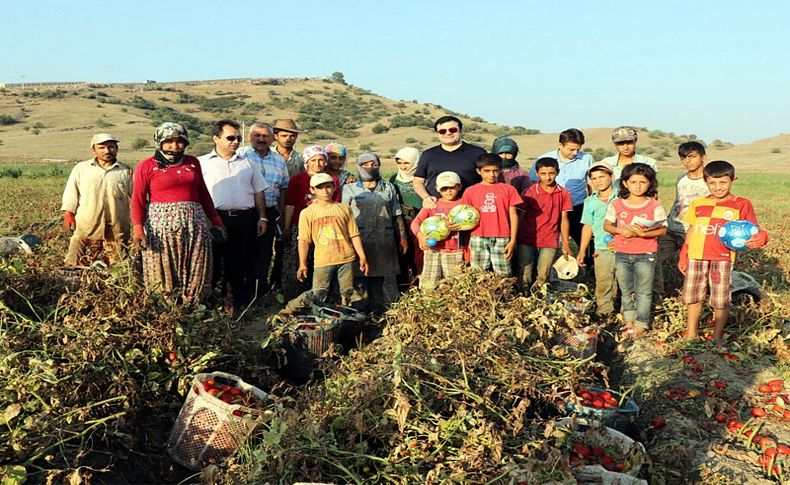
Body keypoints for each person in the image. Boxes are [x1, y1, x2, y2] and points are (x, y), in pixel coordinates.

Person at [131, 122, 224, 303]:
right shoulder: (147, 166)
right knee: (164, 265)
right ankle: (166, 306)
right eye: (169, 141)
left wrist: (216, 220)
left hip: (194, 226)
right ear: (159, 142)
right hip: (161, 229)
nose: (174, 146)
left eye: (179, 141)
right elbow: (138, 200)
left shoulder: (193, 162)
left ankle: (194, 305)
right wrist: (137, 229)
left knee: (196, 265)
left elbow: (203, 193)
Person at [679, 160, 768, 346]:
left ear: (733, 180)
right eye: (713, 183)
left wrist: (762, 237)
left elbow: (754, 228)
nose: (718, 187)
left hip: (723, 257)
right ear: (706, 182)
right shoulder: (698, 204)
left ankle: (717, 337)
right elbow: (692, 229)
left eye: (723, 182)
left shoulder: (741, 204)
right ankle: (691, 334)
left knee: (720, 298)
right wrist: (684, 252)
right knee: (693, 295)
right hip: (696, 255)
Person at [199, 119, 268, 314]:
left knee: (238, 263)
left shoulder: (249, 163)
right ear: (216, 138)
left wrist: (262, 218)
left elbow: (258, 192)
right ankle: (207, 306)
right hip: (213, 219)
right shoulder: (202, 163)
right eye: (230, 138)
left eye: (238, 138)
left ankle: (233, 305)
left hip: (244, 219)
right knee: (210, 263)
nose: (235, 142)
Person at [279, 173, 369, 315]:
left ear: (334, 188)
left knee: (347, 292)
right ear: (312, 190)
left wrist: (362, 257)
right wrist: (303, 263)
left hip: (347, 258)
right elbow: (304, 240)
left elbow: (354, 234)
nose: (325, 191)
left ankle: (344, 319)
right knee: (318, 293)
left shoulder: (344, 209)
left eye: (328, 186)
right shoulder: (307, 213)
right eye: (320, 188)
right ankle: (289, 310)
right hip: (323, 259)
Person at [604, 163, 667, 338]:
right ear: (625, 183)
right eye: (633, 182)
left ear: (649, 184)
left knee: (644, 291)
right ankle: (629, 321)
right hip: (622, 253)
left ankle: (642, 323)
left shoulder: (654, 205)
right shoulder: (617, 204)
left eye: (643, 182)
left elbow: (663, 230)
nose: (638, 186)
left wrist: (644, 233)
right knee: (626, 289)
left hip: (646, 254)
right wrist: (620, 230)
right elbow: (607, 225)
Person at [343, 152, 408, 313]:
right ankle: (360, 315)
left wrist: (403, 238)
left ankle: (387, 315)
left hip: (384, 241)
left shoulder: (388, 187)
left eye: (374, 164)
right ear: (358, 166)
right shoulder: (348, 188)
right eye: (365, 164)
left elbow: (396, 214)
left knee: (386, 279)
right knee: (359, 277)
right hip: (359, 241)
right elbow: (344, 217)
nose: (370, 167)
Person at [237, 122, 290, 302]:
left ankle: (257, 294)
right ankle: (238, 295)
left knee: (263, 254)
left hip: (269, 212)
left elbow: (283, 188)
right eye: (257, 135)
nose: (261, 139)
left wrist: (282, 213)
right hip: (244, 212)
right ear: (249, 137)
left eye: (265, 136)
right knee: (242, 253)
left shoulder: (279, 160)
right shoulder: (240, 155)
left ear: (272, 138)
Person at [61, 133, 132, 266]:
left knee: (118, 268)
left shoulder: (125, 171)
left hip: (116, 229)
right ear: (93, 150)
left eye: (111, 147)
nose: (107, 151)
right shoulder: (81, 169)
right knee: (74, 265)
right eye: (101, 147)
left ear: (116, 149)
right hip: (86, 227)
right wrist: (68, 214)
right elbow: (71, 192)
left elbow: (136, 198)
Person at [282, 145, 340, 300]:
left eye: (321, 159)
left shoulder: (332, 180)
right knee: (298, 261)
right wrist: (286, 227)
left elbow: (336, 205)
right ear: (307, 162)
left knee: (322, 262)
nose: (318, 163)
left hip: (325, 227)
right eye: (313, 160)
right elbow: (290, 204)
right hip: (300, 227)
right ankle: (296, 298)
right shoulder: (298, 179)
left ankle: (320, 297)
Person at [654, 141, 710, 300]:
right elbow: (679, 201)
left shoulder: (710, 180)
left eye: (692, 157)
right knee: (653, 259)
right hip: (671, 228)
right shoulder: (681, 178)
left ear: (703, 157)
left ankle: (696, 299)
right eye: (684, 158)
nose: (688, 161)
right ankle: (657, 294)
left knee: (694, 268)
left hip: (694, 231)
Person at [530, 128, 594, 251]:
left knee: (586, 245)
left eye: (578, 149)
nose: (575, 153)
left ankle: (587, 267)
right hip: (549, 208)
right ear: (560, 145)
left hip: (577, 208)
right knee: (545, 244)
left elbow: (591, 184)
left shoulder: (587, 159)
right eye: (571, 149)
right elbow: (533, 183)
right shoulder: (544, 158)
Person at [517, 157, 573, 292]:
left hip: (550, 239)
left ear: (557, 172)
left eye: (551, 173)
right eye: (543, 174)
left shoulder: (563, 193)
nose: (548, 177)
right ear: (537, 174)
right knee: (525, 272)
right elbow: (520, 216)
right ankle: (523, 300)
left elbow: (564, 219)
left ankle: (539, 301)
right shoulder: (529, 192)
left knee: (543, 274)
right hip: (527, 238)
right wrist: (515, 238)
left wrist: (565, 242)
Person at [461, 153, 521, 275]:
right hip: (477, 237)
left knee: (503, 273)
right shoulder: (470, 191)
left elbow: (513, 216)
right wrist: (467, 244)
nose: (491, 174)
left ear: (501, 170)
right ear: (479, 171)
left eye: (495, 171)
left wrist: (513, 240)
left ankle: (504, 295)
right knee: (478, 273)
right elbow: (466, 219)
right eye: (487, 171)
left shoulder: (509, 190)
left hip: (502, 237)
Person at [413, 115, 486, 208]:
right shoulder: (428, 155)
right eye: (442, 131)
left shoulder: (477, 153)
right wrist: (426, 197)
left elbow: (488, 180)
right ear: (437, 134)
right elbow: (418, 181)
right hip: (436, 209)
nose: (448, 133)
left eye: (452, 130)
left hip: (470, 209)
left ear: (461, 130)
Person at [410, 171, 465, 290]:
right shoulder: (432, 204)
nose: (448, 191)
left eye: (452, 187)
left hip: (454, 251)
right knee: (429, 284)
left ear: (459, 187)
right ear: (437, 189)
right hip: (433, 250)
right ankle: (429, 306)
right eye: (444, 188)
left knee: (454, 285)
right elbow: (416, 223)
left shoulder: (464, 205)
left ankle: (453, 308)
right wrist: (421, 236)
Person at [577, 162, 618, 317]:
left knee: (624, 282)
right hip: (601, 246)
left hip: (624, 246)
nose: (598, 181)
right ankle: (605, 313)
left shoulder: (622, 196)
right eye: (594, 178)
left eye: (602, 176)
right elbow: (588, 226)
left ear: (611, 177)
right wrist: (582, 251)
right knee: (603, 282)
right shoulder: (590, 201)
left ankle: (625, 313)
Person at [390, 146, 423, 289]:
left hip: (421, 222)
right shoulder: (394, 179)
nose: (403, 167)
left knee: (420, 254)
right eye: (400, 163)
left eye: (406, 163)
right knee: (403, 253)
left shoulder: (422, 178)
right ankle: (404, 285)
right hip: (401, 222)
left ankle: (420, 283)